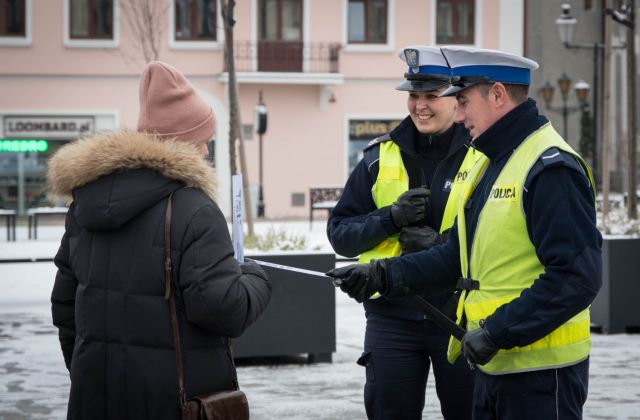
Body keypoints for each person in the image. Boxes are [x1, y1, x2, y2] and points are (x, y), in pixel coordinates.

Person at [328, 46, 602, 419]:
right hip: (495, 364)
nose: (457, 114)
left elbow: (576, 277)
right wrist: (382, 274)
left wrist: (496, 332)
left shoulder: (548, 167)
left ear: (498, 95)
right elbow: (459, 253)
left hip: (538, 374)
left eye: (462, 101)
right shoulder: (493, 162)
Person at [48, 61, 272, 420]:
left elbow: (65, 307)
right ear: (189, 144)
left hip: (93, 400)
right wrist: (255, 277)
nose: (207, 151)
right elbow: (223, 310)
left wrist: (89, 373)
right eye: (205, 142)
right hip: (172, 401)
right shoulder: (194, 209)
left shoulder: (83, 206)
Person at [327, 46, 478, 419]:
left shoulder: (482, 156)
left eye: (431, 96)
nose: (420, 105)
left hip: (459, 314)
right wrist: (389, 218)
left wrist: (441, 248)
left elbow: (498, 237)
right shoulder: (379, 157)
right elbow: (340, 234)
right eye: (414, 95)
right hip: (392, 316)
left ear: (456, 98)